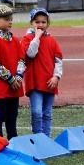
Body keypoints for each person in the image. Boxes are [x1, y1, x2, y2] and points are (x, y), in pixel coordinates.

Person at [0, 4, 26, 139]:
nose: (10, 21)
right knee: (0, 115)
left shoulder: (14, 40)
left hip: (15, 86)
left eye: (11, 18)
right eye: (6, 19)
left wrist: (18, 77)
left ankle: (13, 139)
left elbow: (22, 60)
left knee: (12, 116)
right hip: (1, 86)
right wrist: (11, 79)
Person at [21, 7, 63, 137]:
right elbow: (30, 54)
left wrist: (56, 76)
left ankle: (46, 137)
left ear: (48, 24)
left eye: (43, 22)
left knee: (47, 113)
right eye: (37, 22)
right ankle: (37, 137)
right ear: (31, 23)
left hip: (49, 82)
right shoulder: (27, 38)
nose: (40, 25)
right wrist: (36, 38)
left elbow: (58, 60)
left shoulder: (52, 40)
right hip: (34, 83)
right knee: (37, 112)